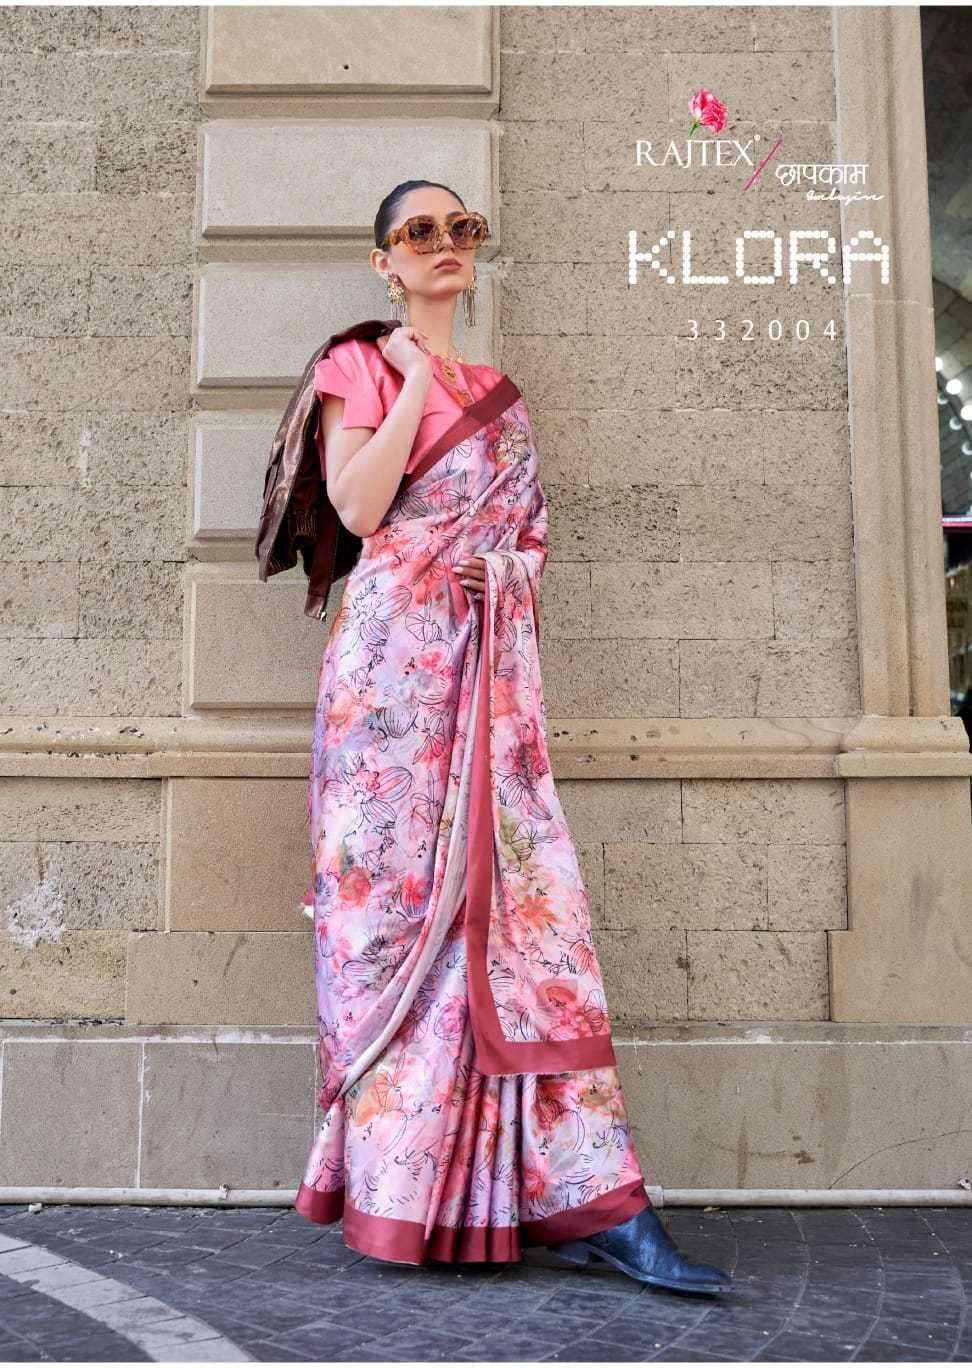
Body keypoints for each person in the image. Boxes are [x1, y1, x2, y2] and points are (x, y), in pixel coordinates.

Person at [292, 177, 731, 1295]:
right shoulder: (356, 366)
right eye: (420, 232)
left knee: (525, 914)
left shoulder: (503, 397)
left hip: (485, 678)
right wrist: (411, 377)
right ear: (385, 261)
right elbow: (359, 509)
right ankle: (405, 1193)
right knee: (394, 916)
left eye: (463, 228)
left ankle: (589, 1199)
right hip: (389, 687)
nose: (446, 244)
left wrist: (508, 572)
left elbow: (531, 535)